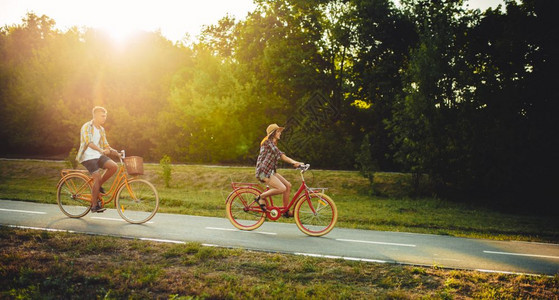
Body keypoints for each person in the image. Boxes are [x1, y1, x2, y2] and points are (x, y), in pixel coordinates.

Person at [75, 106, 119, 213]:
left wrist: (116, 152)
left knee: (114, 167)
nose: (105, 118)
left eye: (105, 116)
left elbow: (105, 145)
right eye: (102, 116)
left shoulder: (101, 129)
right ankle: (94, 206)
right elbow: (89, 142)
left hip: (97, 155)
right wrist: (101, 150)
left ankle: (98, 186)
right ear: (95, 116)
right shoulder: (87, 127)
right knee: (97, 177)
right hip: (87, 156)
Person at [255, 124, 303, 217]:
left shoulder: (273, 144)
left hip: (270, 172)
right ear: (273, 133)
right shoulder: (267, 143)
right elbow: (281, 155)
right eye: (278, 131)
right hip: (262, 173)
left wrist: (297, 163)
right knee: (282, 188)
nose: (280, 133)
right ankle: (260, 197)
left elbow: (279, 154)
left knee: (288, 186)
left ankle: (285, 211)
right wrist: (294, 162)